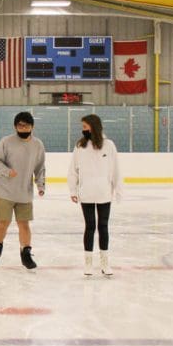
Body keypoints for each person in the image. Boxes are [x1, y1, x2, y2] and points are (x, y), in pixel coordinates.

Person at [67, 114, 123, 276]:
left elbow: (116, 169)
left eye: (85, 127)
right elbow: (73, 170)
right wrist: (73, 190)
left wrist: (118, 190)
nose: (83, 130)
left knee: (103, 226)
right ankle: (88, 264)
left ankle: (105, 263)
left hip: (104, 193)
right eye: (82, 127)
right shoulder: (80, 146)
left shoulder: (109, 145)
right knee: (90, 226)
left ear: (94, 127)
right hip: (86, 193)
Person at [0, 111, 45, 270]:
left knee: (24, 224)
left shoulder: (37, 145)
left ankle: (26, 253)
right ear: (15, 127)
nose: (23, 128)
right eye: (19, 125)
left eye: (26, 125)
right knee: (3, 223)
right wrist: (7, 171)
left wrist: (41, 185)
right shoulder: (6, 142)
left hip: (24, 193)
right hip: (5, 191)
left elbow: (40, 167)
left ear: (32, 126)